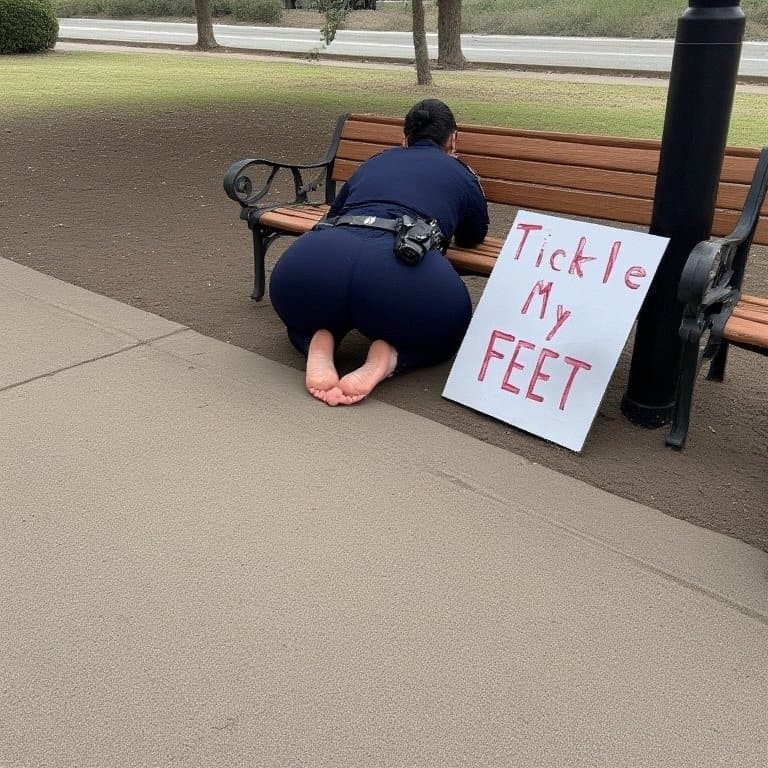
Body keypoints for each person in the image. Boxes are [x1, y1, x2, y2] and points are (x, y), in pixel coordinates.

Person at [269, 99, 489, 406]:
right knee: (450, 328)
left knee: (304, 316)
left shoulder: (376, 161)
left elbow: (333, 213)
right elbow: (474, 235)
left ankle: (316, 339)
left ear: (404, 138)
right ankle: (391, 356)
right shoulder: (461, 173)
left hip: (313, 261)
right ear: (453, 140)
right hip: (400, 269)